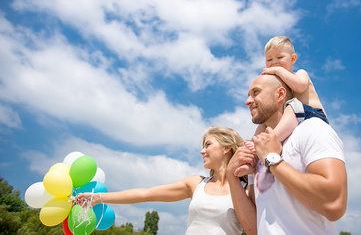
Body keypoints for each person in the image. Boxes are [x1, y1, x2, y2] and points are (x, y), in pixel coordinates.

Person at [76, 126, 256, 235]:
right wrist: (98, 197)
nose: (202, 151)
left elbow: (255, 229)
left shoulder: (247, 190)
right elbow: (145, 195)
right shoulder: (195, 184)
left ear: (227, 148)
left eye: (208, 145)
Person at [227, 74, 347, 234]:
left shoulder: (313, 128)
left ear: (280, 94)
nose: (247, 101)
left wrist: (272, 159)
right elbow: (253, 228)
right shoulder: (260, 152)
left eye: (256, 92)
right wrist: (231, 175)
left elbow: (335, 204)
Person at [234, 35, 328, 177]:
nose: (274, 63)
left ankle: (271, 139)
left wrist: (278, 71)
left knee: (292, 105)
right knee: (264, 123)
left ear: (293, 59)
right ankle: (255, 147)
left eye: (280, 57)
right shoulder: (279, 81)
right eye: (269, 60)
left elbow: (300, 86)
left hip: (313, 114)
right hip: (295, 119)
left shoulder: (299, 74)